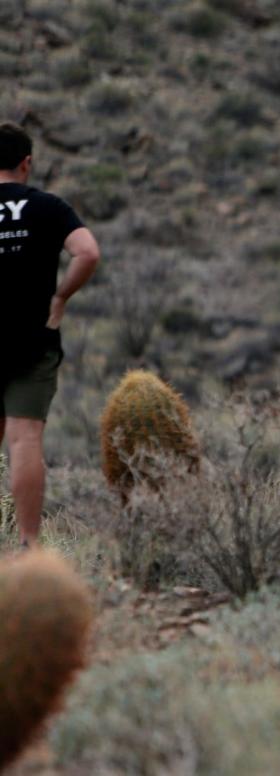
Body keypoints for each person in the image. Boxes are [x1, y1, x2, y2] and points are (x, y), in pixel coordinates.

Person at [0, 123, 101, 550]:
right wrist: (60, 297)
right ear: (26, 163)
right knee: (24, 438)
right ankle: (28, 545)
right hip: (31, 339)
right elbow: (88, 252)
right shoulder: (47, 206)